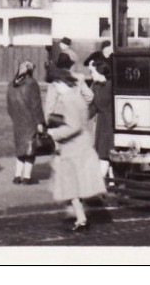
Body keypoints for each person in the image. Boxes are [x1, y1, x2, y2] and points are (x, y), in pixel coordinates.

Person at [44, 65, 106, 232]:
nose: (55, 89)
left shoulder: (68, 100)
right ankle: (80, 217)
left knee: (71, 185)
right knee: (74, 185)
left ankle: (81, 218)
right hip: (80, 146)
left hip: (74, 149)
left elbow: (73, 127)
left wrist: (52, 133)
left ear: (60, 82)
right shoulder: (76, 96)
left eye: (55, 85)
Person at [6, 60, 45, 185]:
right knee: (30, 149)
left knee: (20, 148)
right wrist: (40, 122)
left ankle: (17, 175)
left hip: (17, 120)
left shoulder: (11, 85)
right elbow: (36, 105)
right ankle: (27, 177)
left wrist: (15, 117)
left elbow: (9, 106)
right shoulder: (32, 84)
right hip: (30, 120)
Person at [89, 57, 114, 180]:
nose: (91, 75)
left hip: (110, 123)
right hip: (101, 122)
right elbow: (93, 106)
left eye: (92, 72)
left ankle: (100, 181)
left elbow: (99, 104)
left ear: (101, 72)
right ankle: (107, 180)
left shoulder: (111, 86)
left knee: (104, 153)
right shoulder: (96, 86)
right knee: (102, 152)